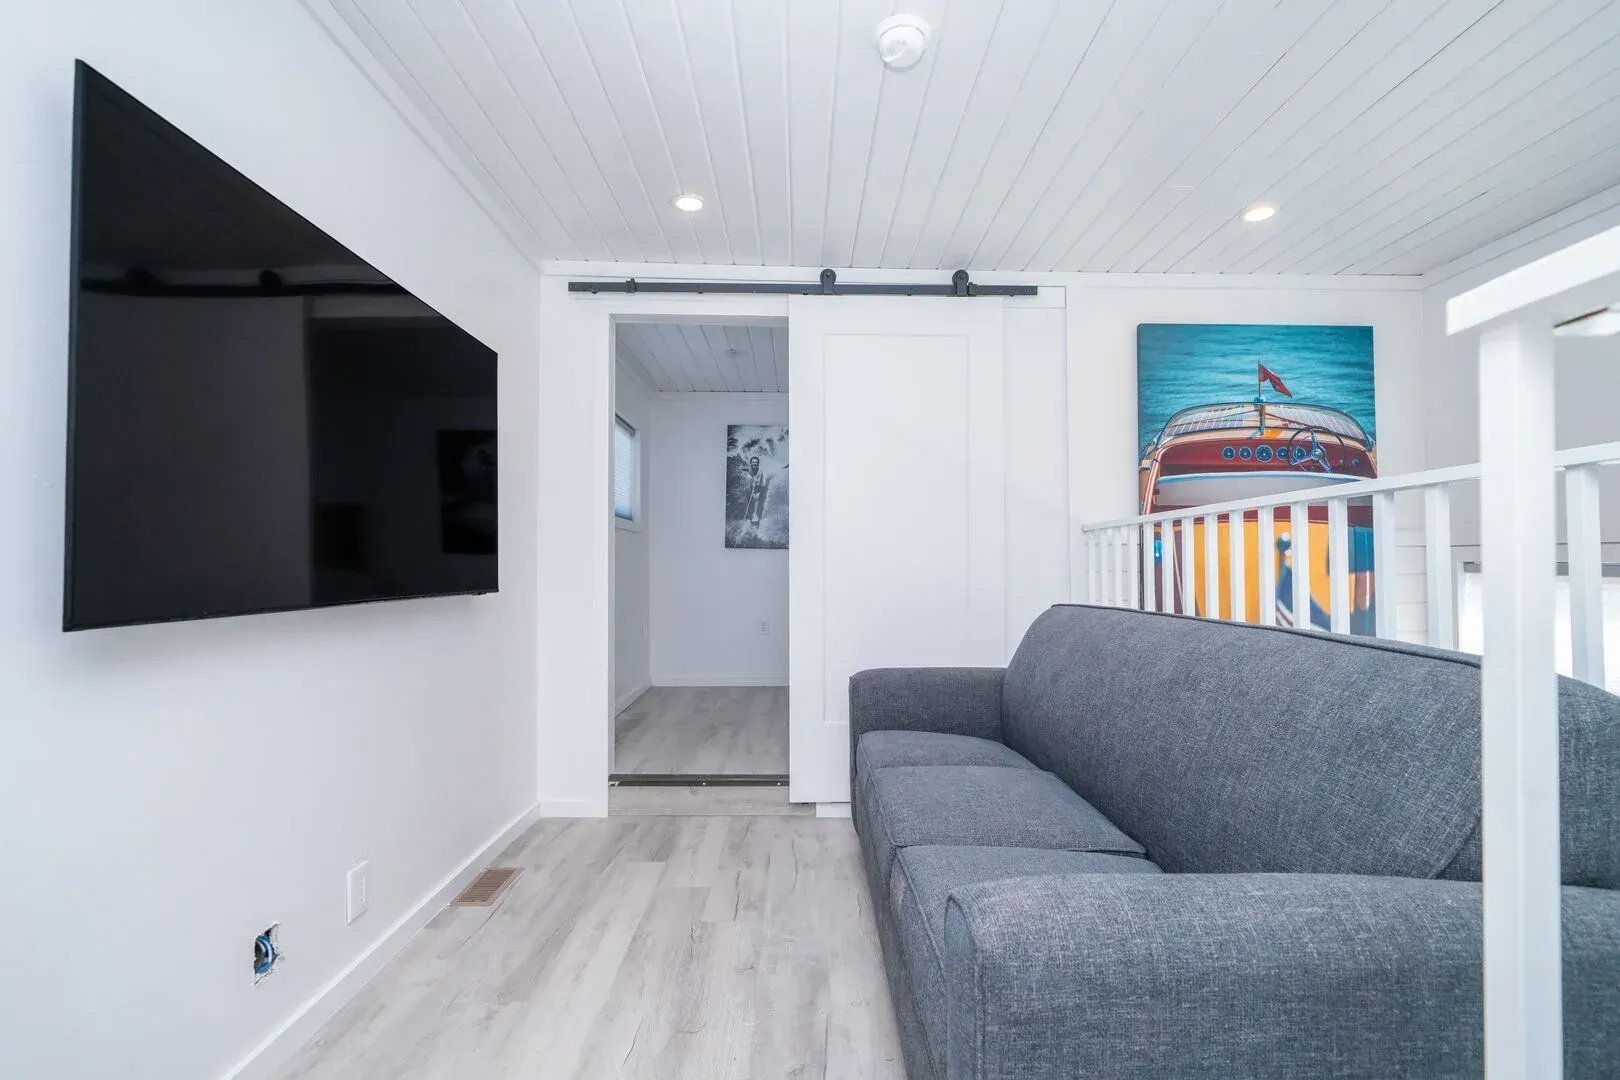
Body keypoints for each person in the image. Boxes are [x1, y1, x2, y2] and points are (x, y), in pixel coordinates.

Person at [744, 456, 771, 528]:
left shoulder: (760, 472)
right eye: (753, 462)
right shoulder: (749, 470)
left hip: (760, 488)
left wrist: (755, 483)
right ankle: (751, 519)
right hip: (751, 488)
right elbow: (749, 475)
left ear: (758, 463)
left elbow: (758, 482)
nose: (754, 464)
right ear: (751, 463)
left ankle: (758, 519)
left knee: (758, 500)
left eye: (756, 462)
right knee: (751, 501)